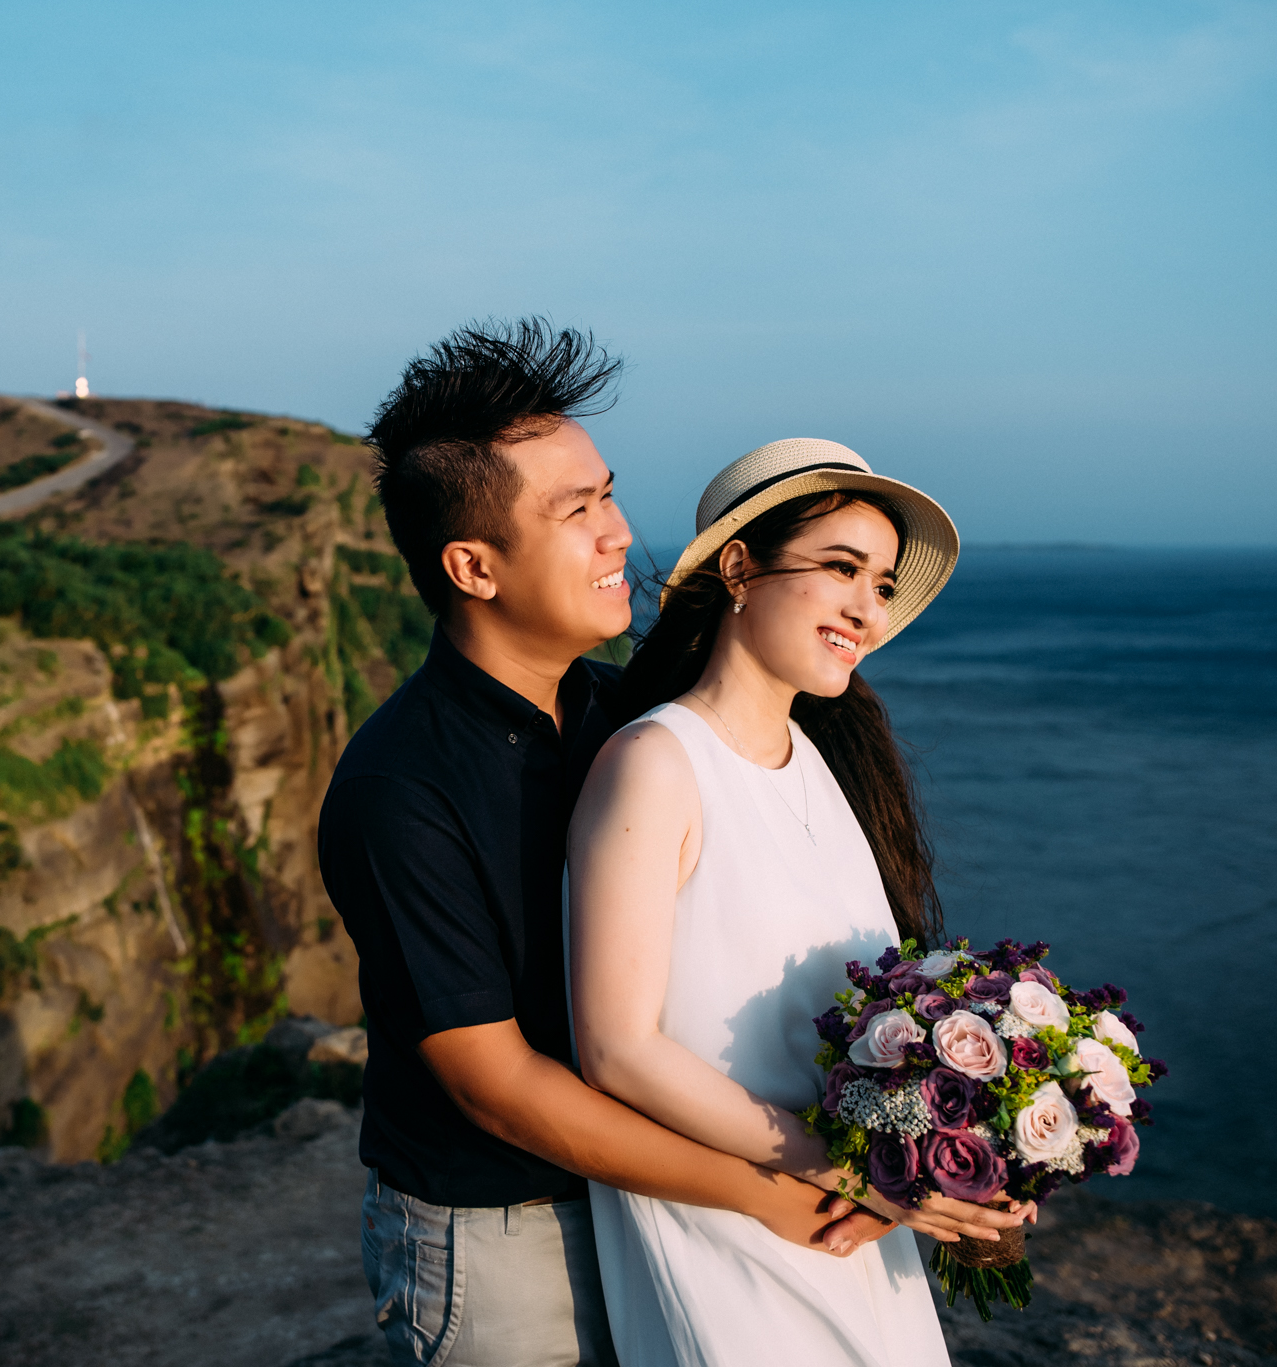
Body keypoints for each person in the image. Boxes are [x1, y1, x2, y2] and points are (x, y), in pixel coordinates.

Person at [319, 328, 963, 1367]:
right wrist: (781, 1186)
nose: (618, 531)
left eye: (607, 493)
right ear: (472, 565)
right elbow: (497, 1082)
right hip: (504, 1223)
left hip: (665, 1201)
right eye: (574, 512)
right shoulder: (401, 786)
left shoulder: (622, 712)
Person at [566, 439, 1032, 1366]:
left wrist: (961, 1150)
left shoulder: (820, 764)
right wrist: (854, 1165)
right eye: (841, 568)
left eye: (884, 583)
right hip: (734, 1234)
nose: (868, 606)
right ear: (740, 566)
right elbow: (616, 1050)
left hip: (854, 1229)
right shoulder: (656, 762)